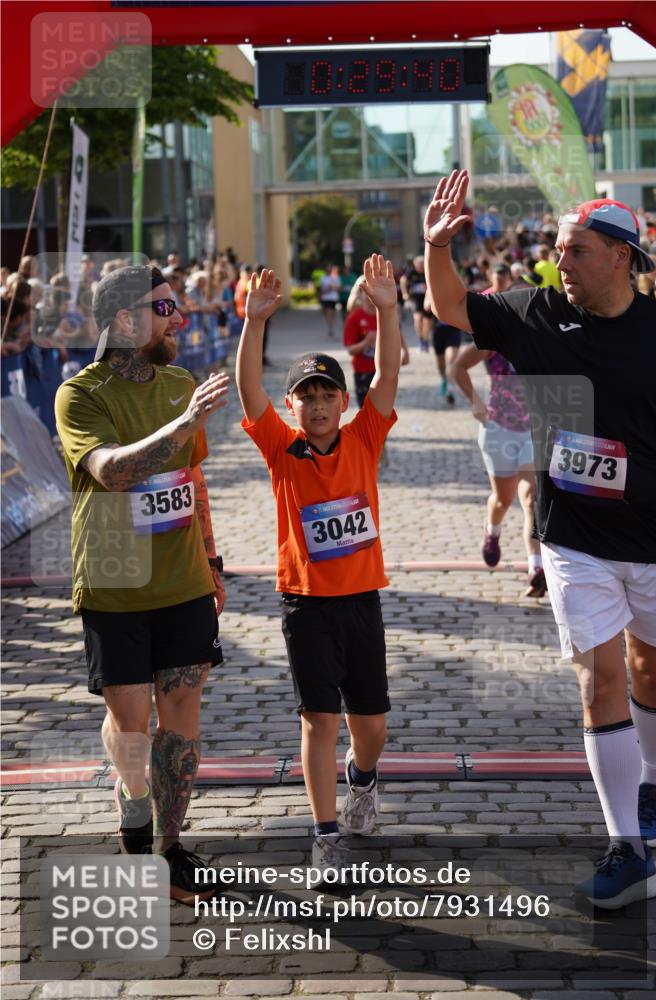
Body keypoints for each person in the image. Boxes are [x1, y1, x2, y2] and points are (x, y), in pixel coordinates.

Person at [425, 171, 656, 909]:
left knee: (651, 671)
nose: (560, 265)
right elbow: (450, 307)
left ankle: (655, 781)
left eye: (577, 252)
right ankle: (625, 847)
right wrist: (438, 248)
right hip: (573, 536)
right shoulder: (532, 314)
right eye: (557, 251)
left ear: (622, 257)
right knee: (597, 678)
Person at [55, 264, 229, 905]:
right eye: (164, 307)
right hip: (114, 583)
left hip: (181, 579)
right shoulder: (80, 394)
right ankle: (134, 806)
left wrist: (211, 559)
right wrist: (183, 423)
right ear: (126, 320)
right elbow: (112, 472)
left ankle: (170, 846)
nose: (178, 318)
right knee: (130, 723)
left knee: (181, 711)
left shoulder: (181, 381)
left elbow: (194, 478)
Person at [236, 257, 401, 878]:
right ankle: (325, 832)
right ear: (293, 405)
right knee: (319, 720)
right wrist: (254, 325)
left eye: (328, 393)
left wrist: (387, 309)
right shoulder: (282, 448)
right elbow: (249, 391)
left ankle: (363, 779)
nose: (320, 403)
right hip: (305, 604)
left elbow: (386, 375)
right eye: (307, 395)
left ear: (343, 400)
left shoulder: (365, 437)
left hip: (362, 601)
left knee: (373, 726)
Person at [448, 338, 546, 598]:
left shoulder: (537, 331)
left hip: (532, 429)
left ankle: (536, 568)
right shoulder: (494, 338)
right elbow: (457, 367)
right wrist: (475, 401)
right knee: (503, 499)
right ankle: (492, 530)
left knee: (531, 498)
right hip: (499, 428)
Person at [344, 275, 409, 408]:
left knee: (382, 412)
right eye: (366, 294)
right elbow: (351, 350)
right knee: (365, 411)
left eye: (372, 294)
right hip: (363, 371)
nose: (370, 299)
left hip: (385, 372)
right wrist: (367, 341)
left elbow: (398, 332)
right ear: (360, 295)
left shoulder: (387, 315)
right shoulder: (354, 318)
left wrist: (406, 351)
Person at [318, 264, 342, 338]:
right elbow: (321, 289)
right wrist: (321, 296)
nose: (328, 270)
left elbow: (340, 288)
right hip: (326, 298)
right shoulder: (323, 278)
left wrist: (334, 287)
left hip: (333, 298)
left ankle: (332, 326)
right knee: (328, 312)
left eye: (330, 269)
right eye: (327, 269)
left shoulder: (335, 278)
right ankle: (329, 326)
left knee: (333, 312)